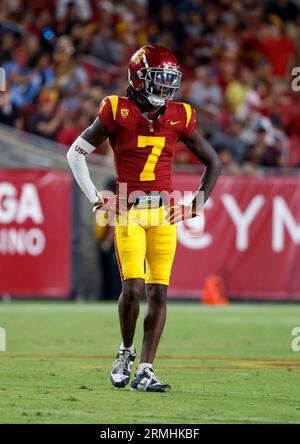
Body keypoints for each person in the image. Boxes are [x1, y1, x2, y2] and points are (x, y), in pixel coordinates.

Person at [67, 44, 221, 392]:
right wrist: (96, 199)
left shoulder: (180, 115)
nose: (165, 88)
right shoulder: (116, 110)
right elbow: (75, 153)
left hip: (164, 213)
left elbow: (214, 161)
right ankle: (125, 351)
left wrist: (195, 204)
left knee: (160, 294)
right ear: (138, 78)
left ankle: (146, 370)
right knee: (133, 288)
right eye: (158, 79)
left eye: (170, 81)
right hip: (129, 211)